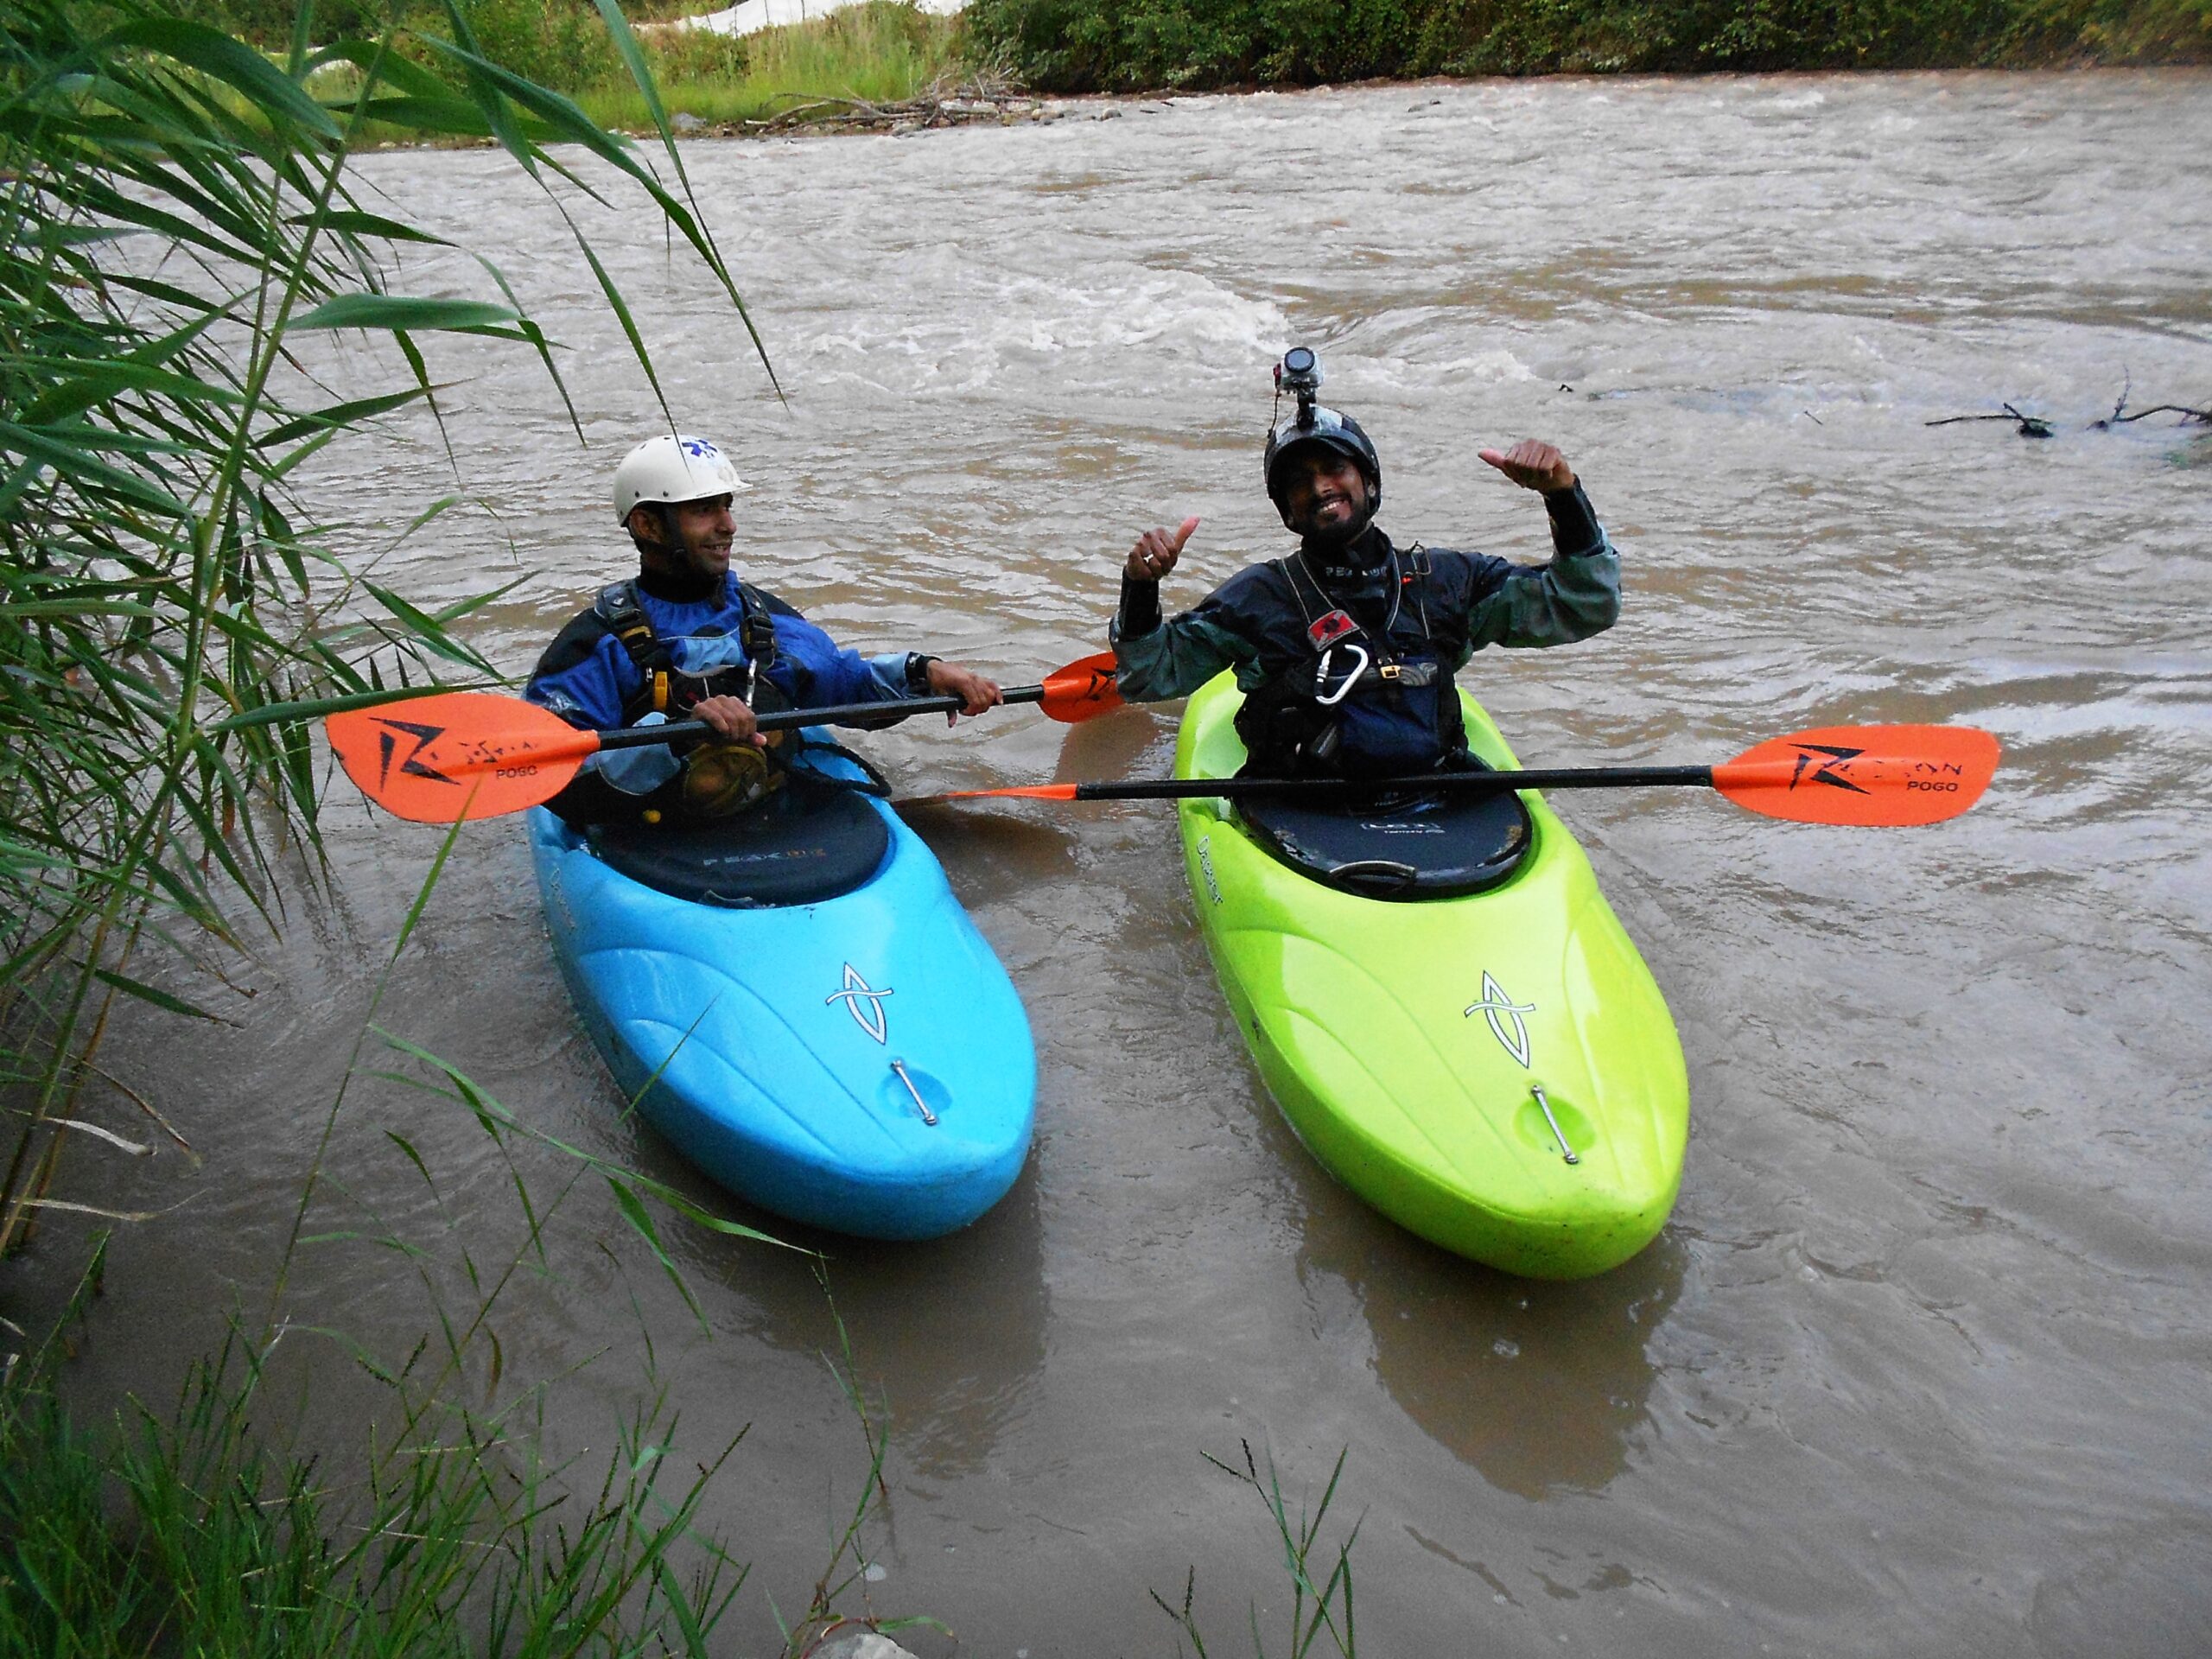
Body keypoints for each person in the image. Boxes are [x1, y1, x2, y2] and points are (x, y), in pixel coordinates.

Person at [1110, 352, 1621, 780]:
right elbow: (1149, 677)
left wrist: (1562, 494)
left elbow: (1584, 605)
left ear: (1370, 484)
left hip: (1433, 790)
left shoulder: (1448, 582)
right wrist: (1141, 587)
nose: (1320, 487)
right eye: (1299, 482)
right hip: (1302, 805)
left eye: (1335, 468)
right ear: (1287, 512)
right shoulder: (1260, 598)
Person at [527, 433, 1001, 825]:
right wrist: (673, 735)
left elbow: (843, 685)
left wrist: (924, 673)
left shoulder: (764, 619)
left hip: (762, 804)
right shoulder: (593, 645)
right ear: (648, 525)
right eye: (704, 510)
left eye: (727, 506)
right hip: (650, 823)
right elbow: (554, 776)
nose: (728, 525)